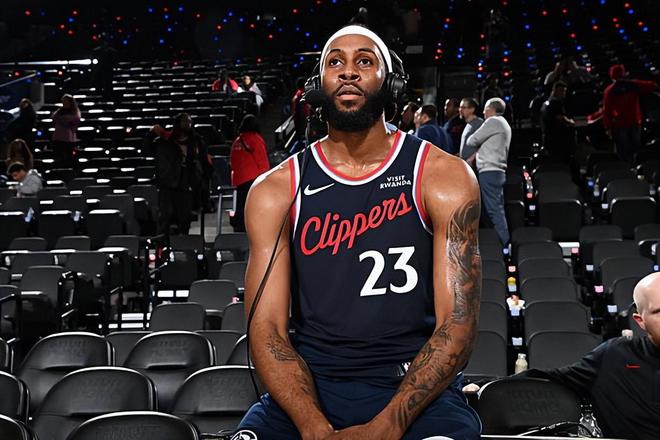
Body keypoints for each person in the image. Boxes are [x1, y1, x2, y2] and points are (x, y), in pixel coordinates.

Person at [236, 25, 482, 440]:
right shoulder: (276, 190)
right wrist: (313, 426)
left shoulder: (443, 176)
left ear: (393, 82)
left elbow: (457, 323)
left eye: (364, 61)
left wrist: (388, 425)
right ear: (317, 84)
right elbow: (267, 331)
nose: (348, 71)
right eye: (335, 62)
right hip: (310, 387)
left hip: (414, 389)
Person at [466, 272, 660, 440]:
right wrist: (483, 384)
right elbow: (550, 376)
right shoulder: (616, 356)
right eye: (659, 312)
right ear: (640, 320)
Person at [149, 113, 209, 236]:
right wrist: (151, 133)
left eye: (189, 122)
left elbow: (204, 163)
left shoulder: (196, 141)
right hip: (167, 185)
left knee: (184, 220)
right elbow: (148, 150)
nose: (187, 125)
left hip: (187, 185)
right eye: (185, 122)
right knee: (165, 218)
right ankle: (162, 244)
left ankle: (181, 243)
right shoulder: (164, 142)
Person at [464, 97, 511, 247]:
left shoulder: (493, 122)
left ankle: (503, 244)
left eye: (485, 109)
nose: (483, 113)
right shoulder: (504, 123)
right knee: (495, 208)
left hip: (489, 171)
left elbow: (472, 140)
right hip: (497, 171)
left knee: (493, 210)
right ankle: (499, 243)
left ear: (491, 109)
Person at [602, 64, 659, 163]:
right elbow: (653, 86)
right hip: (635, 121)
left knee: (623, 151)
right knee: (636, 149)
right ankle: (637, 167)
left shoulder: (609, 90)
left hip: (619, 123)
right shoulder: (633, 84)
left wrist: (608, 127)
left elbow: (607, 111)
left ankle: (625, 169)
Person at [229, 114, 270, 232]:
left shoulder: (237, 141)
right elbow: (262, 160)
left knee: (241, 206)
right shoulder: (255, 139)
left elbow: (232, 162)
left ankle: (240, 228)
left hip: (239, 179)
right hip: (253, 179)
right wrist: (266, 178)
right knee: (253, 207)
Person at [540, 81, 576, 162]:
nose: (563, 93)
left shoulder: (545, 103)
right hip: (557, 139)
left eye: (564, 91)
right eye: (561, 91)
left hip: (547, 137)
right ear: (554, 91)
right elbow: (561, 118)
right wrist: (571, 122)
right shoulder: (556, 102)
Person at [51, 94, 81, 166]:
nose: (64, 103)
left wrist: (63, 118)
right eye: (63, 101)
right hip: (58, 137)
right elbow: (54, 117)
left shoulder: (74, 111)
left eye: (66, 101)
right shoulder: (60, 111)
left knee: (68, 158)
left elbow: (75, 119)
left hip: (68, 139)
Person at [458, 98, 484, 162]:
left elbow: (483, 145)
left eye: (463, 107)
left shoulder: (479, 123)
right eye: (460, 107)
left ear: (472, 109)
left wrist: (472, 158)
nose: (460, 110)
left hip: (473, 164)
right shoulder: (468, 124)